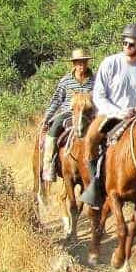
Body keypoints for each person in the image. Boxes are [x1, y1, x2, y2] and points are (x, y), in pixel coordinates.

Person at [80, 23, 136, 207]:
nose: (126, 46)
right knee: (91, 139)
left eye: (131, 44)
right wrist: (118, 111)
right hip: (110, 114)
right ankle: (95, 186)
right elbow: (99, 95)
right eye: (124, 43)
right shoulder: (110, 63)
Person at [39, 48, 95, 182]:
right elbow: (56, 100)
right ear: (74, 64)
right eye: (78, 63)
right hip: (68, 113)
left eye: (84, 62)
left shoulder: (96, 80)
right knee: (54, 130)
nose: (82, 65)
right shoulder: (65, 81)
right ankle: (49, 165)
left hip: (89, 115)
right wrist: (46, 118)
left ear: (87, 63)